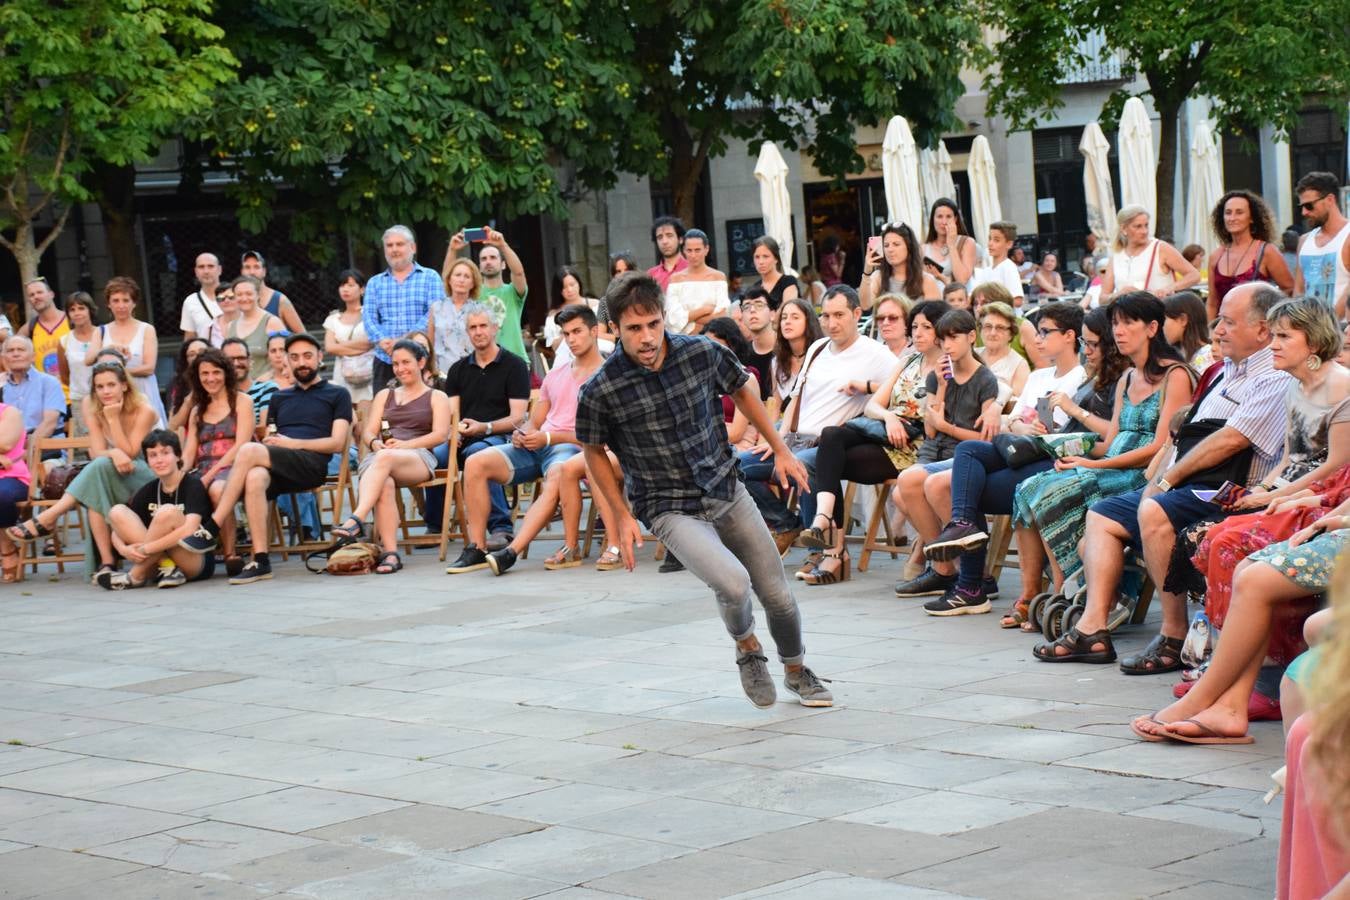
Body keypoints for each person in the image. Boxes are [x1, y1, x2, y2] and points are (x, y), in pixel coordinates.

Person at [576, 272, 831, 707]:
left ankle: (795, 668)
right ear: (614, 328)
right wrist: (619, 514)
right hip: (668, 506)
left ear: (663, 319)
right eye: (634, 328)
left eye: (653, 324)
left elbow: (745, 391)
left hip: (725, 487)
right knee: (733, 585)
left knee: (778, 596)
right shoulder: (602, 389)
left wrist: (780, 449)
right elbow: (592, 450)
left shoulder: (701, 352)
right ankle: (748, 647)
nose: (647, 337)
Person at [1039, 282, 1289, 668]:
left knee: (1148, 508)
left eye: (1227, 322)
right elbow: (1179, 435)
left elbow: (1230, 440)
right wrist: (1157, 478)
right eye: (1218, 320)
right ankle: (1093, 630)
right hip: (1184, 477)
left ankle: (1172, 635)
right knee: (1102, 514)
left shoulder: (1272, 377)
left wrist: (1162, 482)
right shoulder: (1222, 373)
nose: (1217, 330)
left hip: (1225, 487)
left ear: (1262, 330)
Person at [1010, 292, 1194, 594]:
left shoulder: (1174, 376)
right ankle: (1036, 594)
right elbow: (1110, 442)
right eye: (1115, 324)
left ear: (1151, 328)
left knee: (1052, 493)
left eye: (1127, 323)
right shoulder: (1128, 377)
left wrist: (1093, 463)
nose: (1118, 331)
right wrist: (1066, 446)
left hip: (1141, 475)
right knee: (1030, 486)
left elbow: (1159, 448)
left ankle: (1063, 591)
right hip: (1111, 467)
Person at [907, 302, 1089, 604]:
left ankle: (970, 583)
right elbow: (1015, 418)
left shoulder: (1080, 377)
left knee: (944, 482)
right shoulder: (1039, 376)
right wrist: (1017, 423)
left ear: (1069, 336)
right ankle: (965, 539)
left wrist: (1016, 421)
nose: (1038, 339)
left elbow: (1057, 430)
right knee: (964, 454)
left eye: (1045, 332)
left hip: (1045, 457)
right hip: (1018, 447)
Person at [181, 333, 353, 584]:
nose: (301, 362)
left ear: (319, 357)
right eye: (294, 357)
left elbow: (337, 443)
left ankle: (214, 525)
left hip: (311, 464)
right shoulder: (279, 398)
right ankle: (260, 559)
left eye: (307, 356)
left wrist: (292, 443)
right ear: (286, 361)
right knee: (255, 476)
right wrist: (276, 443)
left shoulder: (337, 394)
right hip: (280, 466)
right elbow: (271, 436)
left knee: (248, 450)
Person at [797, 299, 946, 585]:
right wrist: (889, 417)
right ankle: (825, 522)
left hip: (913, 446)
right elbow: (873, 406)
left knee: (828, 460)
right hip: (887, 432)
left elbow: (934, 421)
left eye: (926, 327)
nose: (918, 333)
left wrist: (895, 420)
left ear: (941, 331)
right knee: (831, 435)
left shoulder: (944, 369)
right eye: (915, 326)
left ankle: (834, 550)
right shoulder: (908, 362)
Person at [739, 285, 897, 553]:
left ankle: (820, 552)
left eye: (839, 315)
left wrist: (868, 386)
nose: (831, 323)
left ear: (857, 313)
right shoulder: (818, 347)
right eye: (826, 316)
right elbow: (796, 401)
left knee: (804, 466)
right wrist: (778, 441)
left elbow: (902, 388)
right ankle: (786, 522)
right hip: (793, 438)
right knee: (735, 466)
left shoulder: (877, 354)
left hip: (825, 445)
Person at [461, 306, 605, 575]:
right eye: (566, 333)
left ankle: (511, 551)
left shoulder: (606, 374)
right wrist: (522, 432)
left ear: (594, 332)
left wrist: (547, 437)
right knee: (476, 461)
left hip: (572, 449)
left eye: (577, 332)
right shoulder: (556, 374)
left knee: (559, 474)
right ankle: (477, 548)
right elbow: (534, 420)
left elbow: (600, 435)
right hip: (538, 445)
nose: (571, 339)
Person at [890, 310, 1003, 608]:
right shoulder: (937, 375)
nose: (948, 345)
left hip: (967, 456)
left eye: (954, 337)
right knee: (906, 484)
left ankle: (961, 572)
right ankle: (945, 568)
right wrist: (940, 385)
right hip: (936, 450)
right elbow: (929, 429)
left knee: (912, 484)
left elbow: (985, 442)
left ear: (971, 337)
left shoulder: (985, 379)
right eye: (944, 339)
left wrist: (947, 427)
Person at [8, 361, 159, 581]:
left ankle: (50, 518)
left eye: (111, 385)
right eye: (99, 387)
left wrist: (113, 419)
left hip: (145, 474)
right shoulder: (94, 408)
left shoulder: (144, 410)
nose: (105, 391)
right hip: (112, 471)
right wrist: (113, 453)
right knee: (96, 483)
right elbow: (98, 451)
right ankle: (106, 563)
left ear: (124, 386)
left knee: (98, 472)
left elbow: (130, 453)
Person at [331, 340, 452, 574]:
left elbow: (439, 435)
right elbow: (368, 431)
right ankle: (391, 554)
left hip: (418, 456)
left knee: (385, 459)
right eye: (395, 364)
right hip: (382, 458)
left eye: (406, 362)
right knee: (384, 482)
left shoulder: (436, 396)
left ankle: (357, 518)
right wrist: (374, 442)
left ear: (421, 362)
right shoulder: (385, 395)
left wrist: (405, 445)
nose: (400, 368)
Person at [439, 304, 531, 563]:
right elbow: (452, 413)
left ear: (494, 328)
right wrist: (453, 430)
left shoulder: (514, 365)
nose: (478, 332)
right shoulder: (457, 370)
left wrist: (485, 427)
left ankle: (501, 527)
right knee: (432, 454)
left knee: (478, 454)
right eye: (473, 327)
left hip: (499, 437)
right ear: (467, 332)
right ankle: (435, 525)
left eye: (483, 326)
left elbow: (517, 418)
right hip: (465, 437)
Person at [102, 430, 219, 589]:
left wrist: (147, 548)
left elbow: (189, 529)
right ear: (147, 461)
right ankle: (167, 566)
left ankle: (135, 576)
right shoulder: (148, 490)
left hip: (193, 560)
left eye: (165, 453)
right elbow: (118, 529)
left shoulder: (193, 485)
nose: (159, 460)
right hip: (157, 565)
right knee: (117, 511)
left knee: (167, 512)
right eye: (153, 455)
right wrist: (123, 549)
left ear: (177, 456)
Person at [181, 347, 253, 575]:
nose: (210, 378)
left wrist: (209, 476)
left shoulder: (242, 401)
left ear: (226, 373)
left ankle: (231, 553)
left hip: (236, 466)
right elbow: (189, 452)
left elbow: (242, 444)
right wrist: (178, 475)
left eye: (216, 372)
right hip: (203, 469)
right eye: (205, 374)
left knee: (217, 489)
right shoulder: (196, 411)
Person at [364, 225, 443, 390]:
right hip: (385, 360)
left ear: (412, 247)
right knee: (385, 412)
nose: (394, 249)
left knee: (424, 412)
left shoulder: (430, 277)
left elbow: (434, 313)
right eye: (389, 245)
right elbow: (369, 319)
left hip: (421, 360)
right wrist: (383, 341)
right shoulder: (374, 283)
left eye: (399, 244)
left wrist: (404, 341)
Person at [1206, 189, 1295, 318]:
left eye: (1239, 212)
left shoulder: (1266, 251)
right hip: (1223, 329)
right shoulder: (1216, 256)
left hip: (1256, 329)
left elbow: (1289, 289)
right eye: (1228, 213)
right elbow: (1212, 302)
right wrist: (1210, 332)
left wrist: (1269, 314)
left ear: (1252, 218)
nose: (1232, 218)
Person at [1099, 205, 1200, 299]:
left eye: (1146, 225)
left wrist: (1168, 288)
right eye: (1138, 226)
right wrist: (1118, 294)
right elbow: (1102, 297)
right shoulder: (1117, 255)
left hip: (1159, 312)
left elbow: (1194, 275)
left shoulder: (1160, 248)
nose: (1144, 231)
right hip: (1128, 315)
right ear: (1124, 229)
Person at [1292, 171, 1350, 320]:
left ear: (1330, 199)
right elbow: (1299, 290)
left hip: (1341, 332)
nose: (1304, 212)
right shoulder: (1304, 241)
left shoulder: (1347, 236)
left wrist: (1328, 327)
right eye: (1302, 207)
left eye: (1309, 206)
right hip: (1310, 333)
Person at [324, 269, 375, 428]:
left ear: (362, 289)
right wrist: (359, 347)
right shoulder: (333, 319)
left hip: (367, 377)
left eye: (350, 285)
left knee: (365, 426)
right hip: (342, 377)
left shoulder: (370, 314)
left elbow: (369, 341)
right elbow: (330, 347)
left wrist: (341, 346)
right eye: (342, 285)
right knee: (346, 427)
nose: (345, 289)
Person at [860, 222, 941, 310]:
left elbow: (934, 317)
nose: (890, 249)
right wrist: (867, 272)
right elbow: (865, 305)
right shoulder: (878, 276)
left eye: (896, 244)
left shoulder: (926, 280)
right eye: (886, 245)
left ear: (909, 247)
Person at [1, 336, 65, 445]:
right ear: (4, 358)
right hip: (8, 449)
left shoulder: (49, 383)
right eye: (10, 351)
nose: (16, 354)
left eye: (21, 350)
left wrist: (23, 451)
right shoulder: (2, 386)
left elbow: (49, 424)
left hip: (46, 447)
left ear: (33, 357)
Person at [665, 228, 730, 334]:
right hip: (684, 339)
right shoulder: (676, 279)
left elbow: (723, 315)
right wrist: (704, 310)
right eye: (689, 250)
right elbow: (672, 318)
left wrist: (689, 318)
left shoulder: (718, 277)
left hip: (713, 338)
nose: (693, 255)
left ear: (706, 249)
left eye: (697, 250)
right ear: (684, 251)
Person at [222, 276, 284, 382]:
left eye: (249, 294)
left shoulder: (272, 322)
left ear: (258, 295)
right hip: (238, 390)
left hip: (266, 388)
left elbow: (286, 357)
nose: (244, 298)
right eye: (239, 294)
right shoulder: (230, 326)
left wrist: (270, 374)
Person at [428, 257, 481, 378]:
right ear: (449, 280)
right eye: (457, 275)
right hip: (442, 374)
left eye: (467, 276)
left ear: (473, 283)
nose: (461, 280)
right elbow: (430, 344)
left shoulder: (479, 310)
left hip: (473, 373)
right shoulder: (436, 308)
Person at [19, 278, 70, 402]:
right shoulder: (28, 329)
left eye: (39, 292)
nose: (36, 297)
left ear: (51, 294)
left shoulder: (71, 321)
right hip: (47, 401)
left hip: (76, 398)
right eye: (31, 295)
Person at [57, 292, 98, 437]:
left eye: (81, 308)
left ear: (90, 310)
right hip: (79, 401)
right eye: (72, 310)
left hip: (106, 397)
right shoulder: (64, 341)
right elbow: (64, 376)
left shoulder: (104, 334)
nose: (77, 313)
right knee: (86, 446)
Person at [977, 301, 1031, 406]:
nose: (992, 333)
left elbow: (1017, 405)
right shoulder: (972, 355)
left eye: (1000, 328)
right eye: (988, 326)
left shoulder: (1019, 365)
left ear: (1011, 334)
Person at [770, 297, 823, 403]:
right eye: (784, 318)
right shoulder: (776, 362)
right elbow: (776, 403)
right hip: (786, 418)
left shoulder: (822, 356)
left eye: (795, 317)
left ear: (808, 322)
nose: (787, 322)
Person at [240, 250, 305, 334]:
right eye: (247, 267)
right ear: (242, 271)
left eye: (256, 267)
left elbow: (302, 334)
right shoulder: (235, 301)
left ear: (264, 271)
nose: (252, 272)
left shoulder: (279, 300)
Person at [0, 401, 29, 582]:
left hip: (11, 477)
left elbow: (5, 444)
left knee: (1, 496)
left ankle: (7, 546)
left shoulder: (9, 412)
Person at [921, 199, 977, 288]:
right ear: (933, 219)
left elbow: (962, 280)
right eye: (939, 216)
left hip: (956, 300)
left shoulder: (967, 242)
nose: (944, 222)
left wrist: (951, 244)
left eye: (948, 216)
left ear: (955, 219)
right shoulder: (924, 248)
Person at [221, 337, 276, 426]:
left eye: (241, 358)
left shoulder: (267, 389)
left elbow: (265, 428)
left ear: (249, 360)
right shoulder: (218, 394)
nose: (236, 363)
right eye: (230, 360)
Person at [968, 222, 1025, 305]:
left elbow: (1018, 301)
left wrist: (992, 302)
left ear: (1009, 244)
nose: (990, 243)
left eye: (996, 240)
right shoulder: (986, 270)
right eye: (990, 239)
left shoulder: (1008, 267)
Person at [738, 288, 778, 403]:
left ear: (772, 314)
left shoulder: (787, 349)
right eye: (746, 307)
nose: (752, 310)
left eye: (759, 305)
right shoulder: (741, 354)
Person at [165, 337, 209, 432]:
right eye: (191, 354)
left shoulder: (221, 379)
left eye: (202, 352)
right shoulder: (177, 384)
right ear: (186, 360)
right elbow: (173, 426)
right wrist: (188, 403)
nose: (197, 356)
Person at [1163, 291, 1214, 371]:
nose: (1160, 326)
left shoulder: (1209, 355)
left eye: (1164, 320)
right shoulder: (1176, 353)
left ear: (1183, 320)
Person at [180, 253, 223, 342]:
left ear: (219, 270)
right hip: (206, 354)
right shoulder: (190, 302)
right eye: (201, 267)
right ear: (196, 271)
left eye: (210, 266)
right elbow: (190, 338)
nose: (206, 271)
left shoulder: (234, 296)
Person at [752, 236, 800, 309]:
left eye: (766, 256)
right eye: (757, 257)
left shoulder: (788, 282)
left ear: (776, 259)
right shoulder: (755, 287)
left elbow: (786, 311)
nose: (761, 262)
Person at [647, 216, 689, 292]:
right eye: (660, 237)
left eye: (669, 236)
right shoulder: (650, 275)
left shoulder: (692, 269)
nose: (664, 241)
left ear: (680, 239)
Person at [204, 281, 237, 348]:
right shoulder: (210, 327)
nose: (226, 301)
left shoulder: (249, 322)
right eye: (221, 298)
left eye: (231, 297)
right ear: (217, 302)